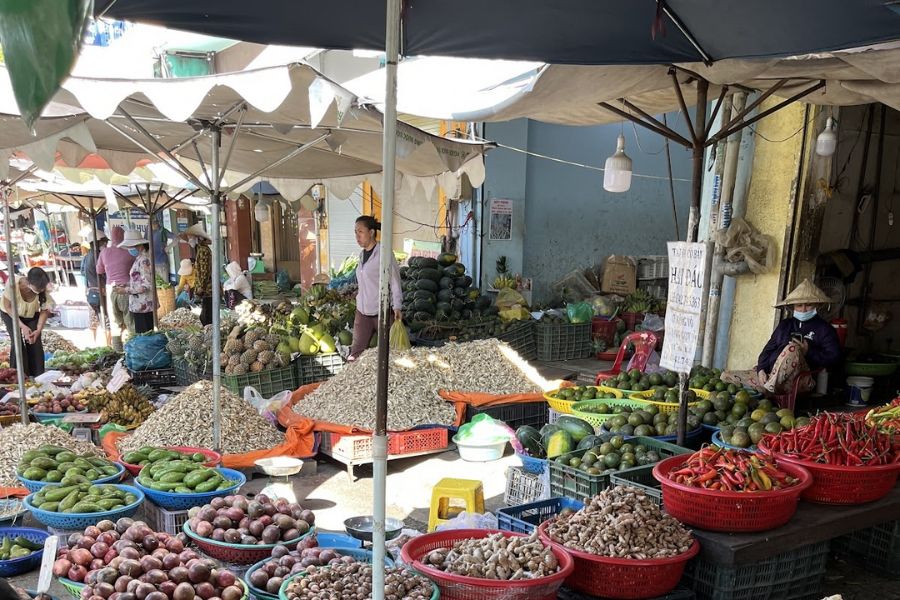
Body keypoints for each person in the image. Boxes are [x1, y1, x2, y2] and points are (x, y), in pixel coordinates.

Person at [722, 279, 841, 395]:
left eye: (808, 305)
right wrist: (761, 370)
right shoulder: (785, 325)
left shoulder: (825, 329)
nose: (803, 309)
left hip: (800, 381)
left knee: (792, 348)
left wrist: (808, 351)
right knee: (726, 376)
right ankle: (768, 385)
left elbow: (834, 358)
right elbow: (768, 350)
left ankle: (768, 387)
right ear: (793, 307)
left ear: (817, 306)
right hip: (770, 376)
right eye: (799, 305)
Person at [348, 216, 402, 360]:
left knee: (392, 353)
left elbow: (395, 281)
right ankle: (354, 381)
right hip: (362, 312)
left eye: (360, 232)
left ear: (371, 232)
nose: (357, 236)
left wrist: (397, 306)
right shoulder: (361, 255)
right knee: (355, 353)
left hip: (382, 312)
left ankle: (391, 381)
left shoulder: (384, 253)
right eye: (355, 232)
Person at [0, 267, 54, 376]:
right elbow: (8, 307)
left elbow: (44, 311)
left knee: (34, 341)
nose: (40, 291)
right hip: (10, 313)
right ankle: (17, 376)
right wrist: (22, 327)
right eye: (38, 289)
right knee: (18, 342)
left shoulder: (43, 290)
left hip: (31, 315)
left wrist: (38, 330)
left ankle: (37, 376)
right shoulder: (13, 284)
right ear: (28, 282)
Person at [114, 231, 156, 334]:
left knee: (145, 336)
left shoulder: (144, 260)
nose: (131, 248)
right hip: (139, 305)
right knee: (143, 335)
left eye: (133, 246)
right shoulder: (139, 258)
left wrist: (126, 290)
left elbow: (146, 285)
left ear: (140, 245)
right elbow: (138, 280)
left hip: (144, 305)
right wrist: (127, 284)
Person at [96, 226, 136, 336]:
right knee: (130, 322)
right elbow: (136, 271)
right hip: (126, 289)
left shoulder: (104, 252)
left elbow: (99, 270)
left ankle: (118, 349)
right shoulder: (129, 253)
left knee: (115, 324)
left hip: (111, 290)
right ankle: (133, 348)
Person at [180, 224, 212, 325]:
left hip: (207, 289)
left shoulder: (203, 251)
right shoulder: (200, 250)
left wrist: (200, 287)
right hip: (206, 289)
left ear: (197, 238)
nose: (189, 240)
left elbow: (204, 271)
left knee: (206, 317)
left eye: (190, 237)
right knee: (206, 315)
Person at [80, 228, 108, 341]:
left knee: (94, 320)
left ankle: (95, 341)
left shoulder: (87, 256)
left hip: (91, 290)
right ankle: (108, 343)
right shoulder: (99, 255)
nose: (105, 244)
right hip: (101, 290)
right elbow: (103, 272)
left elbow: (83, 272)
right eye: (104, 242)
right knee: (106, 319)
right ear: (98, 242)